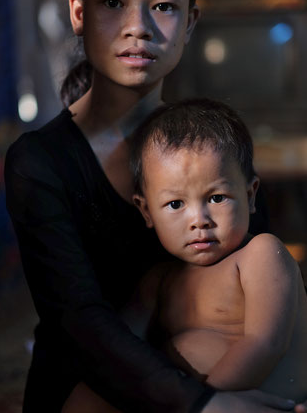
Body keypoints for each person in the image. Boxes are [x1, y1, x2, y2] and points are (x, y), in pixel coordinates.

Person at [4, 0, 307, 412]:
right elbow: (81, 324)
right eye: (112, 4)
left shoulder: (217, 146)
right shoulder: (41, 162)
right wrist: (205, 405)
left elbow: (262, 292)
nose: (138, 27)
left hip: (226, 376)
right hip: (96, 381)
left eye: (164, 6)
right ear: (78, 14)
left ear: (189, 21)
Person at [128, 98, 307, 400]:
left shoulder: (259, 256)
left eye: (216, 198)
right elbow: (120, 342)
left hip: (269, 405)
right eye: (175, 204)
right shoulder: (159, 282)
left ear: (250, 195)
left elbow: (265, 344)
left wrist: (201, 401)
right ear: (146, 212)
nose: (199, 220)